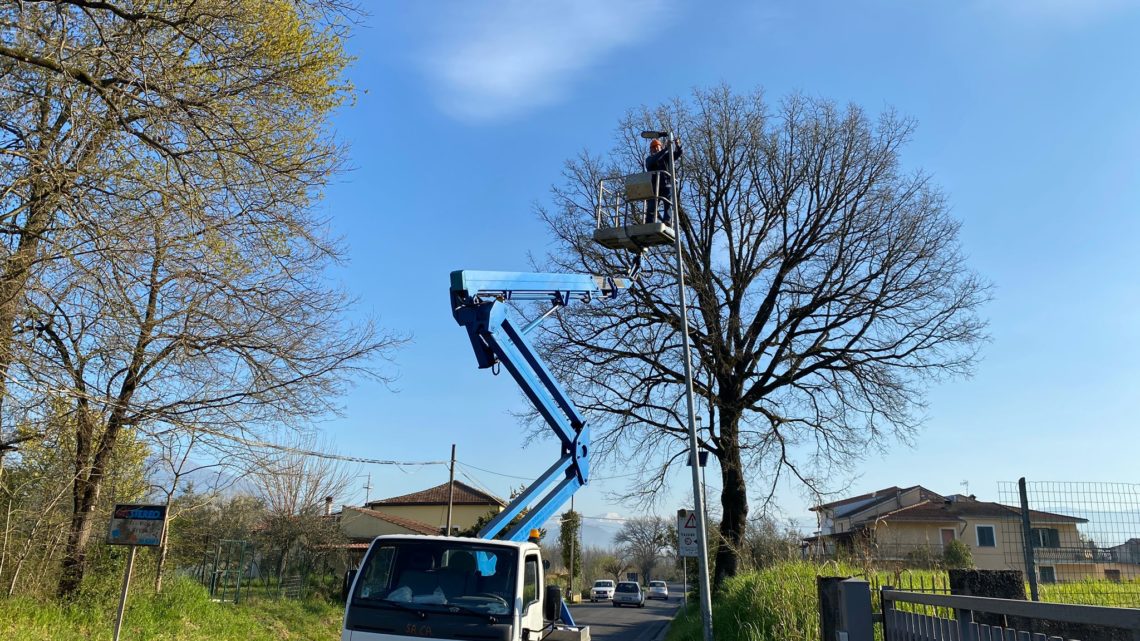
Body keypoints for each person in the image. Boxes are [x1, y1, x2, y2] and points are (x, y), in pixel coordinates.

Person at [644, 137, 682, 224]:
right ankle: (649, 222)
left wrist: (677, 145)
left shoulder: (666, 157)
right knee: (651, 206)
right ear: (651, 150)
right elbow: (655, 159)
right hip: (654, 185)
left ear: (660, 147)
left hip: (666, 184)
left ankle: (667, 220)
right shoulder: (649, 159)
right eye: (653, 147)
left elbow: (677, 154)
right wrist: (665, 149)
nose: (655, 149)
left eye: (657, 147)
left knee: (668, 204)